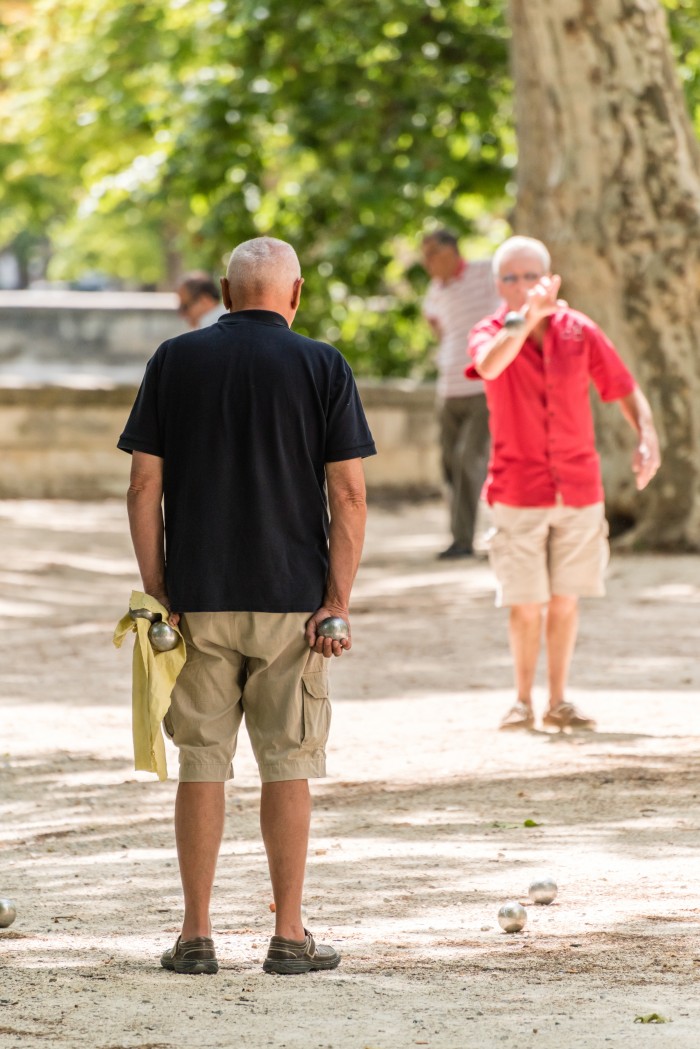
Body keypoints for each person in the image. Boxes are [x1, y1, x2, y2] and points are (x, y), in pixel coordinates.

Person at [118, 236, 376, 975]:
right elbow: (349, 496)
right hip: (292, 604)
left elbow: (142, 487)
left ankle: (195, 934)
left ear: (227, 294)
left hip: (196, 601)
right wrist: (335, 601)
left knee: (202, 762)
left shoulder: (174, 359)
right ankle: (288, 935)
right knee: (285, 762)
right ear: (294, 295)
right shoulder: (324, 365)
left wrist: (159, 592)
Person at [467, 236, 660, 732]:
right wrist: (523, 321)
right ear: (497, 285)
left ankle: (557, 700)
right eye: (510, 278)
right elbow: (489, 364)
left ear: (550, 280)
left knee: (565, 600)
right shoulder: (490, 331)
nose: (522, 286)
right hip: (517, 488)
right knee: (526, 604)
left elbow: (624, 387)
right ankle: (520, 701)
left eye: (532, 276)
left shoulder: (580, 331)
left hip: (578, 485)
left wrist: (648, 437)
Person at [421, 229, 501, 559]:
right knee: (449, 465)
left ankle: (465, 540)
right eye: (424, 256)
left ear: (453, 251)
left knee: (469, 459)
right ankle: (461, 535)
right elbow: (436, 325)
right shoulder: (434, 291)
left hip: (482, 387)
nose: (428, 262)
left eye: (434, 253)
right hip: (448, 389)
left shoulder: (486, 272)